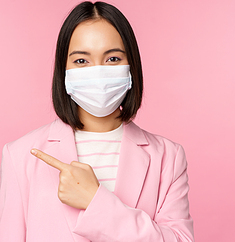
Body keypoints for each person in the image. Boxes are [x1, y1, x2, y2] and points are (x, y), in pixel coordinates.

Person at [0, 1, 194, 241]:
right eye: (81, 61)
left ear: (131, 66)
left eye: (112, 59)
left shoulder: (168, 157)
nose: (98, 73)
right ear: (64, 72)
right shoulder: (19, 156)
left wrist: (96, 202)